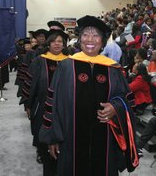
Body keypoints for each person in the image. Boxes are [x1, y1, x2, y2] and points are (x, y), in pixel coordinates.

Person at [39, 15, 139, 176]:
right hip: (70, 141)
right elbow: (53, 104)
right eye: (85, 34)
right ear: (79, 39)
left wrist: (116, 107)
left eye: (95, 35)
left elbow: (128, 101)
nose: (90, 39)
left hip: (105, 142)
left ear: (102, 41)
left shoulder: (113, 69)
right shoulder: (66, 66)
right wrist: (52, 137)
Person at [21, 31, 69, 176]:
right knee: (42, 136)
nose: (57, 44)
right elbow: (30, 83)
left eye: (60, 41)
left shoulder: (70, 62)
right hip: (42, 106)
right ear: (48, 43)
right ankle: (43, 156)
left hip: (64, 109)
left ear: (64, 44)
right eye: (54, 41)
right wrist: (28, 105)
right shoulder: (39, 61)